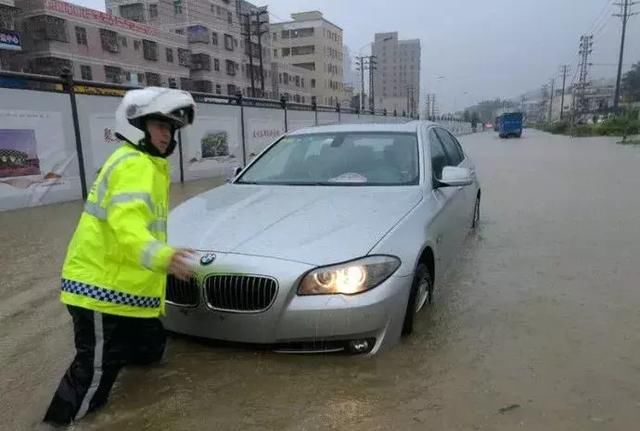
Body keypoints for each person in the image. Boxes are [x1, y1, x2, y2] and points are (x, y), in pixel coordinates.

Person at [42, 87, 197, 427]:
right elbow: (127, 224)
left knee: (149, 353)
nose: (166, 135)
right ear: (137, 126)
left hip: (129, 294)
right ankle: (58, 424)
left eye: (170, 128)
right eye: (159, 125)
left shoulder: (149, 165)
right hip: (100, 291)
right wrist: (162, 256)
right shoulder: (135, 165)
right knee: (94, 372)